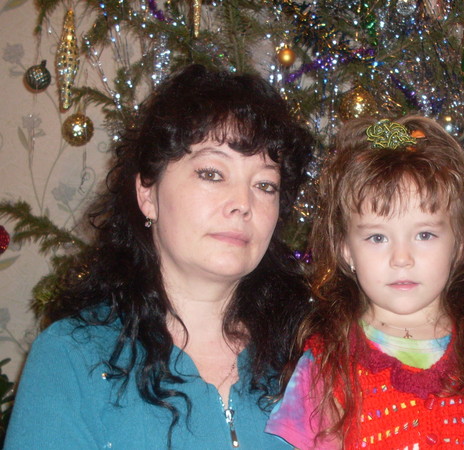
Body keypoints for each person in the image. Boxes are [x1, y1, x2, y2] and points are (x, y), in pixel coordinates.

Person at [5, 64, 314, 449]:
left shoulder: (312, 355)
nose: (242, 203)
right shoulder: (71, 357)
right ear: (147, 194)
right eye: (212, 174)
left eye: (265, 185)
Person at [266, 116, 464, 448]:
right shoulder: (327, 362)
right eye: (377, 238)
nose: (401, 258)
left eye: (424, 235)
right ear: (346, 250)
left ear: (458, 245)